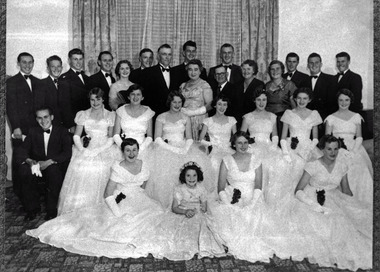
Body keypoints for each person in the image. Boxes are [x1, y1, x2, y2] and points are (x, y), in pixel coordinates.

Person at [26, 138, 166, 259]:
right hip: (121, 198)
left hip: (139, 197)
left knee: (154, 217)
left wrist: (140, 198)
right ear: (123, 152)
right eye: (128, 150)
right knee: (120, 225)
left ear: (138, 150)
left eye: (134, 150)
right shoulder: (117, 167)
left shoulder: (144, 164)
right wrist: (118, 213)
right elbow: (108, 194)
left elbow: (143, 185)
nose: (131, 153)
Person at [292, 135, 372, 271]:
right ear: (322, 149)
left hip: (335, 198)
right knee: (332, 225)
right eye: (329, 149)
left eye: (335, 149)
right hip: (312, 198)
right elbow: (298, 190)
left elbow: (346, 190)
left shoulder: (342, 166)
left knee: (352, 222)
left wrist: (353, 206)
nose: (333, 152)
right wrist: (314, 206)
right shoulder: (312, 165)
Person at [208, 131, 276, 263]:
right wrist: (228, 204)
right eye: (239, 142)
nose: (243, 146)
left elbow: (258, 185)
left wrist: (251, 204)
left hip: (253, 196)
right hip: (231, 195)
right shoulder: (226, 160)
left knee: (253, 217)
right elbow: (221, 187)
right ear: (234, 144)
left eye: (245, 142)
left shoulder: (256, 159)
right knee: (231, 215)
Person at [146, 91, 215, 209]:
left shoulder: (185, 117)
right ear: (170, 102)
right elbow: (157, 138)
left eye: (179, 102)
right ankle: (169, 204)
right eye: (174, 102)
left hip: (183, 147)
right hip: (165, 148)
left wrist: (185, 149)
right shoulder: (161, 117)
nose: (177, 105)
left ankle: (189, 202)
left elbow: (189, 137)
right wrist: (173, 149)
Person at [57, 88, 117, 215]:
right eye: (92, 100)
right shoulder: (83, 114)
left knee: (103, 170)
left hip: (104, 147)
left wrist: (98, 150)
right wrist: (83, 150)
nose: (95, 103)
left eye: (98, 99)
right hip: (87, 147)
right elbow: (76, 136)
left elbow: (111, 137)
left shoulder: (110, 115)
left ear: (103, 99)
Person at [151, 161, 225, 260]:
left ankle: (200, 245)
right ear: (183, 177)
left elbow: (204, 206)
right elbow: (174, 208)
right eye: (188, 176)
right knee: (182, 229)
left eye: (194, 175)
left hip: (197, 213)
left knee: (202, 224)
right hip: (183, 212)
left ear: (198, 176)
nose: (191, 178)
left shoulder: (201, 189)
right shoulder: (179, 189)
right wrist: (185, 212)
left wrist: (200, 209)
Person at [16, 106, 72, 221]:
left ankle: (51, 210)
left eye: (46, 117)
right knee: (24, 170)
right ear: (36, 119)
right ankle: (32, 209)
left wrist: (50, 162)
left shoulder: (62, 131)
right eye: (39, 118)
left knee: (53, 171)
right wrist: (29, 161)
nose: (43, 121)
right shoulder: (33, 131)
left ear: (52, 117)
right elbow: (22, 150)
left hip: (54, 164)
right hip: (38, 165)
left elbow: (67, 153)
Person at [6, 52, 46, 199]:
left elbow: (42, 106)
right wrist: (16, 126)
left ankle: (35, 194)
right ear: (18, 64)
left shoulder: (38, 82)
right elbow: (10, 107)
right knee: (20, 161)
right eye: (24, 62)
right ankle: (19, 194)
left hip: (35, 128)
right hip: (20, 129)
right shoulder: (11, 82)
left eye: (30, 62)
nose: (27, 65)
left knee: (34, 159)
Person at [240, 89, 288, 206]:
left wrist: (273, 146)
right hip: (252, 147)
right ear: (254, 101)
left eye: (264, 100)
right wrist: (248, 146)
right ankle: (256, 200)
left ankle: (271, 200)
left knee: (278, 164)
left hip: (269, 146)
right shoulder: (248, 117)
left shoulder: (272, 116)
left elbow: (275, 135)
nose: (261, 103)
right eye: (259, 100)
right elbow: (241, 137)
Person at [324, 89, 373, 205]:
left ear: (351, 101)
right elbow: (327, 139)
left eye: (347, 100)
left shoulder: (356, 117)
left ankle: (362, 200)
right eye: (341, 100)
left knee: (359, 166)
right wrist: (339, 150)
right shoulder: (330, 118)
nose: (344, 103)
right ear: (337, 101)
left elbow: (359, 137)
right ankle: (345, 197)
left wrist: (353, 151)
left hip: (354, 147)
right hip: (336, 148)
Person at [280, 87, 322, 194]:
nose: (301, 101)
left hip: (308, 147)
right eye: (299, 98)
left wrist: (308, 150)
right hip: (291, 147)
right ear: (294, 99)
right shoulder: (289, 113)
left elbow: (315, 138)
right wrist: (285, 153)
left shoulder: (314, 114)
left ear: (309, 100)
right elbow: (283, 138)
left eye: (305, 98)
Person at [199, 94, 237, 194]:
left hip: (228, 149)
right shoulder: (208, 121)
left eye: (225, 104)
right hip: (214, 150)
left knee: (232, 165)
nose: (222, 107)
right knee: (215, 164)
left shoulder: (232, 120)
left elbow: (236, 139)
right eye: (219, 104)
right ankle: (216, 193)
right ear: (215, 105)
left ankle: (231, 193)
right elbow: (201, 139)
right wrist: (211, 144)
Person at [112, 84, 155, 162]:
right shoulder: (121, 110)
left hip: (142, 148)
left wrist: (138, 150)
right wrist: (125, 149)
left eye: (138, 94)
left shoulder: (148, 112)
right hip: (123, 146)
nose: (135, 97)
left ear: (142, 97)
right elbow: (115, 135)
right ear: (128, 97)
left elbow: (149, 136)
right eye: (133, 94)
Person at [139, 44, 180, 116]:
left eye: (169, 54)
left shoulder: (176, 73)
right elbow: (144, 97)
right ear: (158, 56)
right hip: (154, 115)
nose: (167, 57)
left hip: (173, 115)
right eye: (164, 54)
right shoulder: (147, 72)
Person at [179, 59, 213, 140]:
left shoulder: (205, 85)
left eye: (196, 69)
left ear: (200, 71)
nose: (193, 72)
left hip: (199, 120)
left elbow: (210, 105)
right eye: (190, 69)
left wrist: (194, 112)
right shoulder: (183, 85)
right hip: (184, 119)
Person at [60, 48, 89, 133]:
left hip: (88, 121)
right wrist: (71, 125)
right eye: (75, 59)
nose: (78, 62)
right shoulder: (64, 78)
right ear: (69, 60)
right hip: (75, 122)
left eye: (80, 59)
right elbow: (65, 105)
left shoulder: (87, 78)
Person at [300, 53, 337, 120]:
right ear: (308, 65)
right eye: (311, 63)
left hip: (324, 118)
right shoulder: (303, 81)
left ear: (321, 64)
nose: (314, 65)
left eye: (316, 62)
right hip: (307, 118)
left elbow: (332, 103)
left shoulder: (331, 79)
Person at [41, 55, 73, 129]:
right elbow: (40, 108)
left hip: (65, 127)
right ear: (48, 69)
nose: (56, 69)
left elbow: (68, 107)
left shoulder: (66, 84)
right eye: (53, 66)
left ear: (62, 68)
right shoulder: (41, 84)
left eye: (58, 66)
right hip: (50, 126)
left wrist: (71, 125)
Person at [265, 60, 297, 134]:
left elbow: (295, 106)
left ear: (282, 70)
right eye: (272, 69)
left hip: (284, 120)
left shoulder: (289, 84)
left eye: (277, 68)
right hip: (269, 119)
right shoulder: (266, 85)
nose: (275, 71)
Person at [235, 59, 264, 125]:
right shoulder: (237, 85)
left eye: (248, 69)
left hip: (253, 120)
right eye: (244, 69)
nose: (246, 71)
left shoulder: (259, 85)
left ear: (253, 71)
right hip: (238, 121)